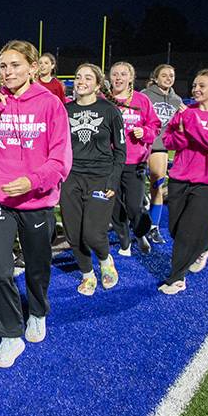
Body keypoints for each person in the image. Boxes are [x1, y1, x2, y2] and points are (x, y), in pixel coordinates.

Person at [0, 40, 71, 369]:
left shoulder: (51, 105)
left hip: (36, 200)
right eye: (3, 66)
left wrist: (33, 180)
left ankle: (37, 310)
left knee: (37, 266)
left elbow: (61, 159)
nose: (8, 72)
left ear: (33, 68)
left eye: (15, 65)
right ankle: (9, 335)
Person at [159, 69, 208, 294]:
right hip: (181, 176)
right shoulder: (186, 111)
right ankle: (207, 243)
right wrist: (183, 134)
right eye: (194, 85)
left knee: (187, 233)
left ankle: (177, 278)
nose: (196, 89)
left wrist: (191, 123)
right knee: (175, 228)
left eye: (202, 85)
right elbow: (169, 139)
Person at [61, 64, 125, 295]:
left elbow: (120, 150)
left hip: (100, 178)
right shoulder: (64, 111)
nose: (81, 81)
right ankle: (87, 274)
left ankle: (105, 259)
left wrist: (113, 180)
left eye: (88, 78)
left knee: (92, 233)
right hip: (70, 178)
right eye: (78, 77)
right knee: (73, 233)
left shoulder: (110, 110)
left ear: (98, 85)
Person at [108, 61, 160, 256]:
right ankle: (124, 240)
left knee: (133, 205)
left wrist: (144, 132)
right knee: (113, 205)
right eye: (115, 74)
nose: (118, 78)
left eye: (123, 74)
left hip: (134, 161)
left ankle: (140, 232)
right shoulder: (103, 99)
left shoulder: (141, 100)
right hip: (109, 163)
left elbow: (154, 126)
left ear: (131, 77)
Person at [141, 64, 183, 244]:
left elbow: (178, 123)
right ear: (156, 78)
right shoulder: (144, 95)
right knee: (132, 188)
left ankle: (153, 226)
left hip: (160, 147)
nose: (168, 78)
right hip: (141, 145)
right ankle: (134, 219)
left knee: (157, 185)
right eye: (164, 75)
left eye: (171, 75)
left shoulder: (176, 100)